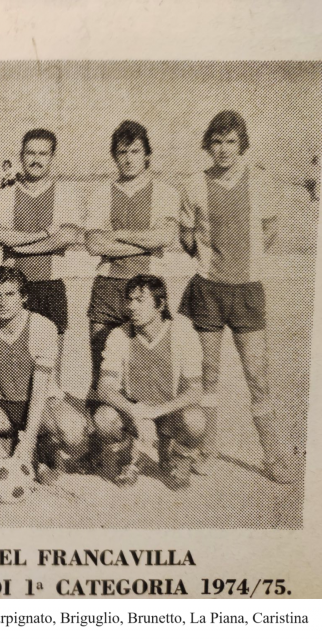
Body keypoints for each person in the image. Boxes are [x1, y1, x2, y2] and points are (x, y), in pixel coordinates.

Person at [179, 110, 292, 483]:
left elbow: (270, 230)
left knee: (257, 375)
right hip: (208, 289)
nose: (224, 149)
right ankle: (208, 448)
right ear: (208, 145)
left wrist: (247, 262)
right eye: (217, 142)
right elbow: (186, 236)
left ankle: (272, 456)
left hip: (247, 290)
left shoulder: (259, 181)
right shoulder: (194, 184)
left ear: (242, 144)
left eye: (231, 141)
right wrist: (210, 261)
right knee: (209, 374)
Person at [0, 267, 89, 486]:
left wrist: (29, 441)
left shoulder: (42, 327)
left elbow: (39, 391)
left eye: (10, 294)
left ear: (24, 297)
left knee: (73, 431)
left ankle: (41, 446)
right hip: (1, 406)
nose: (3, 302)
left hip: (40, 404)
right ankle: (4, 447)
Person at [85, 120, 181, 406]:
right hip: (107, 287)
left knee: (149, 362)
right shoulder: (101, 193)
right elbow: (94, 244)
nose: (128, 159)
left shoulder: (165, 192)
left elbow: (164, 237)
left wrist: (119, 234)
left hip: (148, 288)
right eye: (122, 152)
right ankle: (102, 429)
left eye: (135, 151)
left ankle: (149, 424)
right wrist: (145, 240)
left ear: (147, 154)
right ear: (114, 155)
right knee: (101, 368)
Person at [0, 128, 83, 383]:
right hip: (13, 289)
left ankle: (50, 404)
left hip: (51, 285)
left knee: (52, 363)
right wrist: (45, 234)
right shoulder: (7, 193)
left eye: (43, 154)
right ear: (21, 155)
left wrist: (21, 247)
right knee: (14, 358)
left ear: (52, 157)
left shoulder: (64, 193)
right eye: (31, 153)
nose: (36, 159)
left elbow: (68, 236)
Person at [95, 275, 206, 490]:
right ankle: (129, 459)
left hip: (168, 411)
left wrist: (156, 411)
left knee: (195, 419)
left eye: (140, 300)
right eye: (130, 300)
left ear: (160, 304)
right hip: (134, 411)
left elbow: (196, 391)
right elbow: (104, 388)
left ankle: (178, 459)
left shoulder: (182, 332)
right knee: (104, 418)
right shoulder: (119, 334)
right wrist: (135, 411)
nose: (132, 307)